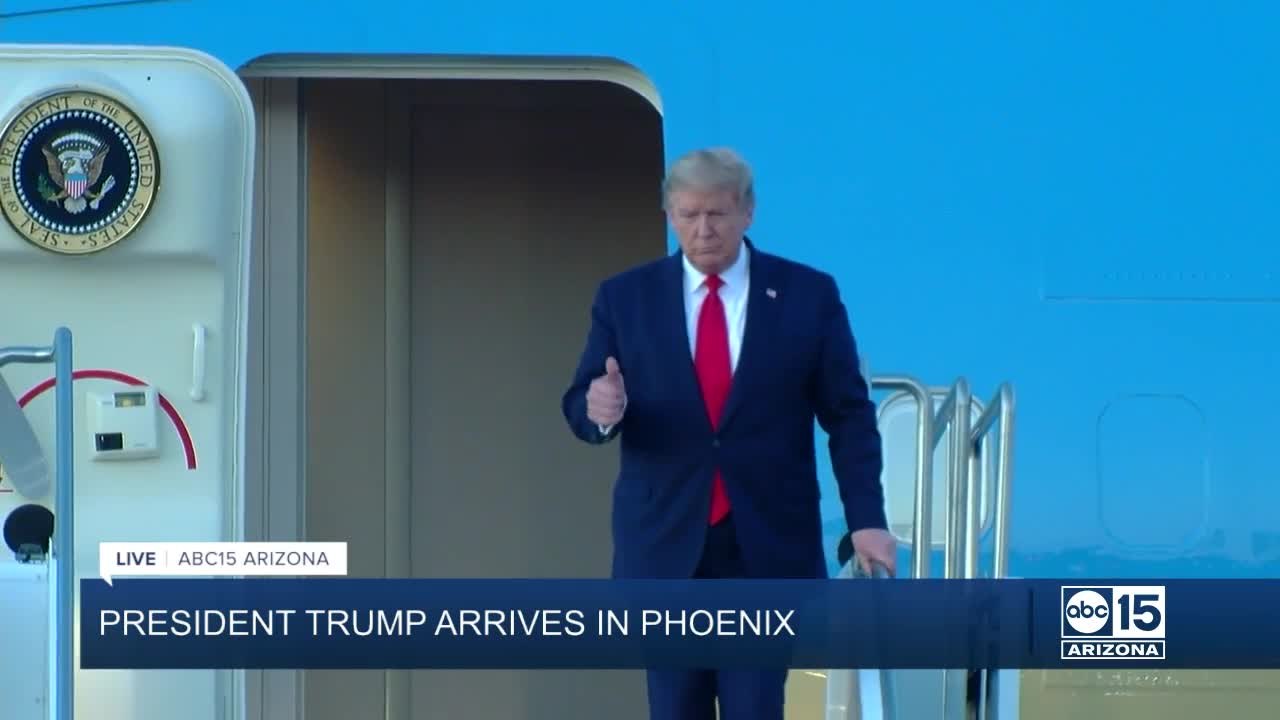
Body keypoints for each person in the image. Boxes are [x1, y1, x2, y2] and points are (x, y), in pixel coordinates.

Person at [560, 147, 895, 720]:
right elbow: (581, 402)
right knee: (675, 708)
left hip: (763, 544)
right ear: (669, 214)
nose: (702, 230)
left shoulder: (807, 296)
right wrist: (600, 409)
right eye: (687, 215)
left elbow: (848, 415)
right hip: (665, 545)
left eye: (716, 214)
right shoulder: (625, 298)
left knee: (755, 706)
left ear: (748, 212)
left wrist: (866, 518)